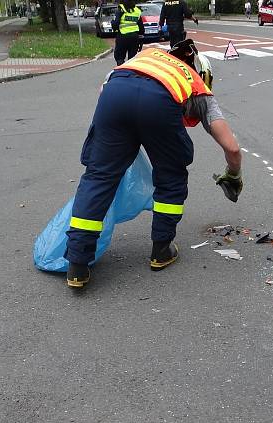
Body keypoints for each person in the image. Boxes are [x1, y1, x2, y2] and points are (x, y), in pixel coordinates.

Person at [64, 40, 243, 288]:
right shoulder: (196, 85)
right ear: (203, 73)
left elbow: (106, 89)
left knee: (99, 177)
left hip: (114, 95)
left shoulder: (147, 59)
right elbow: (232, 148)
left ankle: (77, 265)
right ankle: (161, 250)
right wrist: (233, 176)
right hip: (158, 104)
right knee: (171, 175)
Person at [112, 0, 144, 66]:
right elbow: (141, 26)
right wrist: (141, 39)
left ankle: (121, 71)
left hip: (122, 36)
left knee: (119, 57)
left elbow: (115, 24)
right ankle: (130, 72)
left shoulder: (120, 10)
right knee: (132, 58)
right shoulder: (137, 11)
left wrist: (112, 23)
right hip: (134, 37)